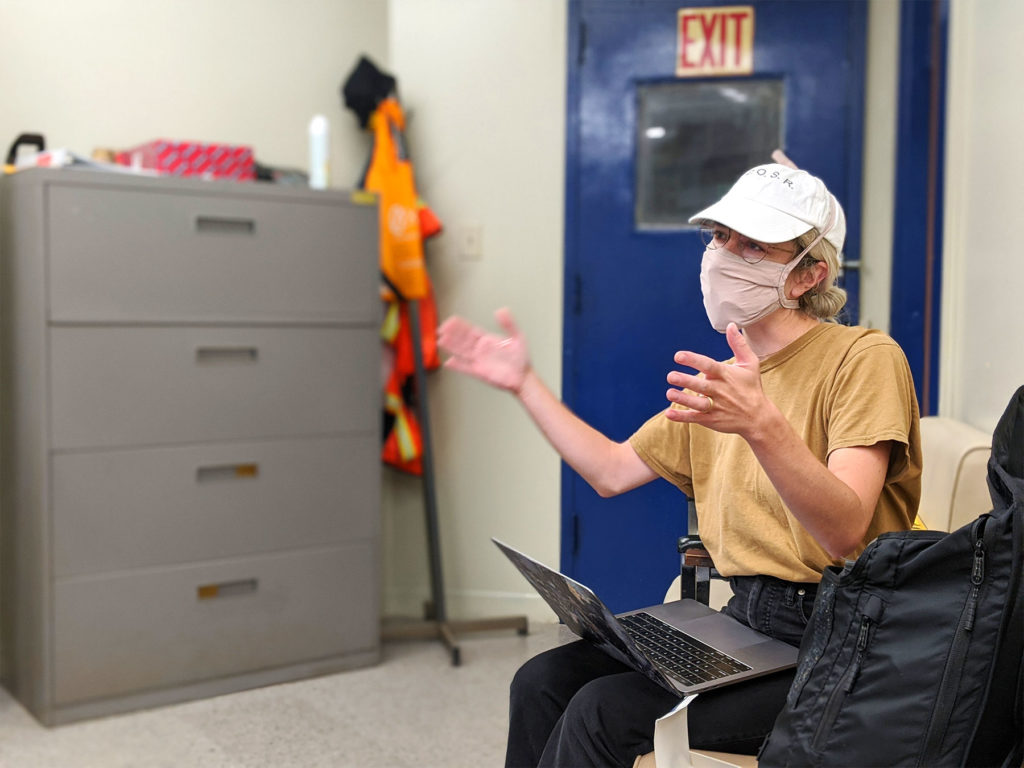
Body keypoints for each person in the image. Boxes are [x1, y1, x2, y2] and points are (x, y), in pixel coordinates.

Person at [437, 163, 921, 767]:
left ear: (809, 274)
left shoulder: (863, 357)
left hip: (838, 640)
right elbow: (612, 470)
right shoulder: (727, 384)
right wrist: (524, 384)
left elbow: (846, 532)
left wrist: (760, 424)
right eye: (719, 237)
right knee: (541, 681)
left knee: (603, 712)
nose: (724, 255)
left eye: (753, 245)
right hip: (745, 618)